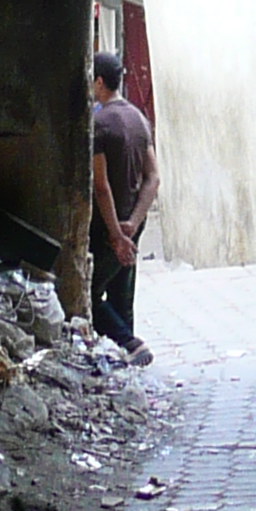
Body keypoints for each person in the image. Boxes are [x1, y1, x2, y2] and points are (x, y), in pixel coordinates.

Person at [90, 46, 159, 363]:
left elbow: (101, 186)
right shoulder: (139, 120)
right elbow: (153, 178)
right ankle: (125, 356)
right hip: (133, 221)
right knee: (122, 292)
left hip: (107, 225)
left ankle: (128, 344)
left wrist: (116, 233)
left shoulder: (100, 125)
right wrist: (134, 222)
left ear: (99, 82)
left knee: (88, 293)